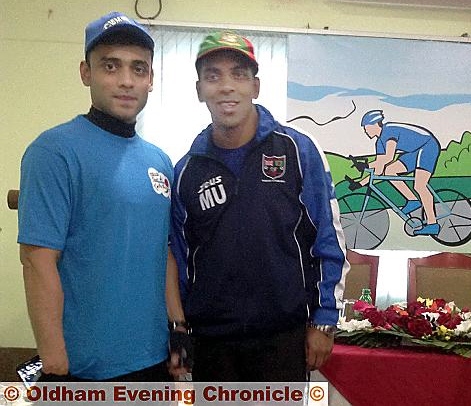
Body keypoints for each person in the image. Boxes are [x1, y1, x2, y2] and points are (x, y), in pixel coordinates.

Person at [18, 11, 190, 381]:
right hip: (82, 368)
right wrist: (54, 362)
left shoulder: (160, 161)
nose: (126, 81)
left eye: (138, 69)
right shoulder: (53, 151)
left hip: (154, 359)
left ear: (151, 79)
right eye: (111, 66)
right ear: (86, 73)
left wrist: (177, 328)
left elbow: (163, 252)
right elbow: (37, 261)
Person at [170, 31, 349, 382]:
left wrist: (324, 320)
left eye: (238, 74)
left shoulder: (298, 150)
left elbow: (328, 238)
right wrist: (179, 330)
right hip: (212, 343)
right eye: (213, 76)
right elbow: (178, 257)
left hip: (282, 338)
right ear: (199, 90)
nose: (226, 87)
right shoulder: (186, 171)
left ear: (256, 86)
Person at [352, 110, 441, 236]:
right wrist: (360, 183)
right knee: (389, 170)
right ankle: (413, 200)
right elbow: (379, 170)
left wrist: (366, 165)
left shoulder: (389, 131)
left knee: (419, 186)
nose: (365, 131)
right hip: (414, 151)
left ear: (374, 124)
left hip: (427, 146)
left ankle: (433, 224)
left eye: (366, 128)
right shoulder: (379, 143)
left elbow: (389, 158)